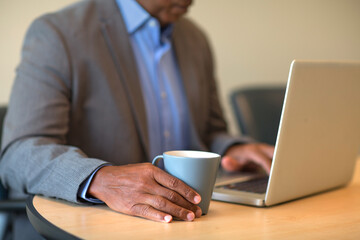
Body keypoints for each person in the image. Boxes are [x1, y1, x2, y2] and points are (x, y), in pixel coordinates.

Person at [0, 0, 274, 237]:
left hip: (188, 226)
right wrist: (101, 179)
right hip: (90, 230)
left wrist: (233, 148)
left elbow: (210, 131)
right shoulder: (58, 34)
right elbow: (19, 153)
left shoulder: (195, 39)